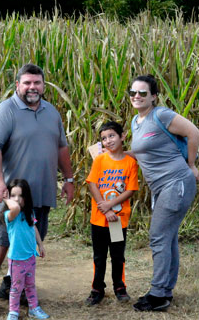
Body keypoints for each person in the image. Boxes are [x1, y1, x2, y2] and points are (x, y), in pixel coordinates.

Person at [0, 64, 75, 320]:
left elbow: (61, 147)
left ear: (43, 85)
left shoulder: (51, 112)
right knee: (2, 239)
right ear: (17, 84)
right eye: (27, 83)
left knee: (33, 236)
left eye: (37, 83)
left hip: (42, 189)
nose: (32, 87)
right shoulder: (4, 113)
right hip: (12, 193)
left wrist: (69, 178)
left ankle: (11, 286)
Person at [128, 74, 199, 312]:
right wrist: (108, 155)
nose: (136, 97)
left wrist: (191, 165)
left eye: (143, 93)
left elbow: (193, 132)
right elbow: (141, 154)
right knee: (168, 238)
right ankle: (165, 290)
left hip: (176, 182)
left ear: (154, 97)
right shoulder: (136, 122)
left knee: (158, 237)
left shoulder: (162, 115)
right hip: (160, 188)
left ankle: (158, 295)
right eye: (133, 93)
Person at [85, 121, 139, 306]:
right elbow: (92, 183)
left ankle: (119, 287)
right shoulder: (100, 160)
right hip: (99, 219)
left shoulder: (130, 162)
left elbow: (130, 189)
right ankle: (97, 288)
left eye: (112, 136)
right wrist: (104, 208)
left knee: (117, 255)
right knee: (99, 256)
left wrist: (111, 206)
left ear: (122, 136)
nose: (108, 141)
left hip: (117, 220)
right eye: (104, 138)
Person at [2, 179, 50, 320]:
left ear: (26, 197)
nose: (17, 199)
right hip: (17, 259)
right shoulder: (10, 216)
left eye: (21, 195)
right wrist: (5, 198)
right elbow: (15, 208)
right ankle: (13, 312)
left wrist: (40, 245)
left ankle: (34, 308)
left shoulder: (29, 213)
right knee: (16, 288)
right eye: (13, 195)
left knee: (30, 285)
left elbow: (33, 228)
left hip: (30, 257)